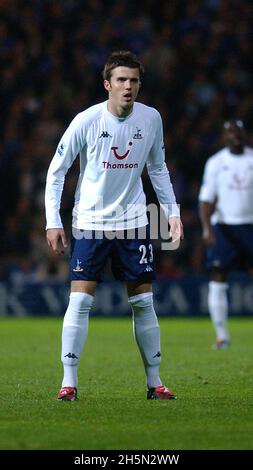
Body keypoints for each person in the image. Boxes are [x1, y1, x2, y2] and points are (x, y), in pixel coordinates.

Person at [45, 50, 183, 401]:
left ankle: (155, 384)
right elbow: (57, 171)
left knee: (143, 302)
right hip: (91, 222)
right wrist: (53, 220)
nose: (128, 86)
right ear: (107, 84)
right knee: (80, 302)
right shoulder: (87, 121)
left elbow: (158, 168)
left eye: (134, 80)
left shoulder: (151, 119)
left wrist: (172, 212)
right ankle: (69, 382)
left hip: (135, 222)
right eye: (121, 80)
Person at [199, 119, 253, 349]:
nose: (235, 137)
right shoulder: (216, 163)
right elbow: (206, 199)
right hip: (223, 227)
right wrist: (207, 228)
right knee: (218, 278)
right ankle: (222, 336)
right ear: (224, 137)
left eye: (239, 132)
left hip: (250, 226)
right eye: (231, 133)